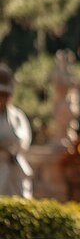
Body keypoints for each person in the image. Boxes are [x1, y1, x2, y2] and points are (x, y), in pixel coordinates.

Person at [0, 63, 33, 198]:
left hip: (14, 167)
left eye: (5, 95)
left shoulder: (17, 116)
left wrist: (7, 143)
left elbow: (22, 140)